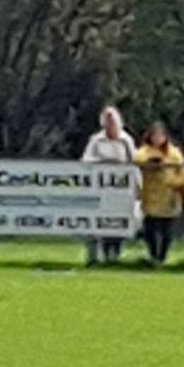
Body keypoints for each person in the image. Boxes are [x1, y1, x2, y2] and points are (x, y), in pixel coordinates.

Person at [81, 106, 136, 266]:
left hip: (121, 190)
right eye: (107, 120)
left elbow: (134, 161)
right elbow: (86, 161)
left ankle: (115, 255)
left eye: (112, 120)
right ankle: (100, 255)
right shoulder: (96, 140)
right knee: (100, 223)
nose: (110, 124)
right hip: (101, 189)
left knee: (119, 223)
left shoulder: (126, 140)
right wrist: (102, 163)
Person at [135, 122, 184, 266]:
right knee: (150, 229)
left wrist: (176, 184)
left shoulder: (174, 153)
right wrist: (150, 162)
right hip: (150, 196)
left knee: (167, 230)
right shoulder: (145, 151)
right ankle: (153, 256)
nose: (157, 138)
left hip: (169, 197)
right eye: (154, 135)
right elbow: (137, 159)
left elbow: (183, 172)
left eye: (160, 135)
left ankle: (162, 257)